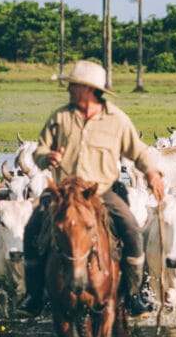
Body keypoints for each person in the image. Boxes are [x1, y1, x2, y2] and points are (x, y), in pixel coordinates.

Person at [17, 60, 166, 318]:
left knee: (131, 229)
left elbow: (139, 151)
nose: (69, 89)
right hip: (63, 192)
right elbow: (39, 151)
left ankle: (133, 295)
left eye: (73, 85)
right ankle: (34, 295)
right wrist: (47, 157)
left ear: (89, 89)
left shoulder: (117, 120)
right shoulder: (60, 118)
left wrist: (152, 173)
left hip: (101, 191)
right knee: (32, 228)